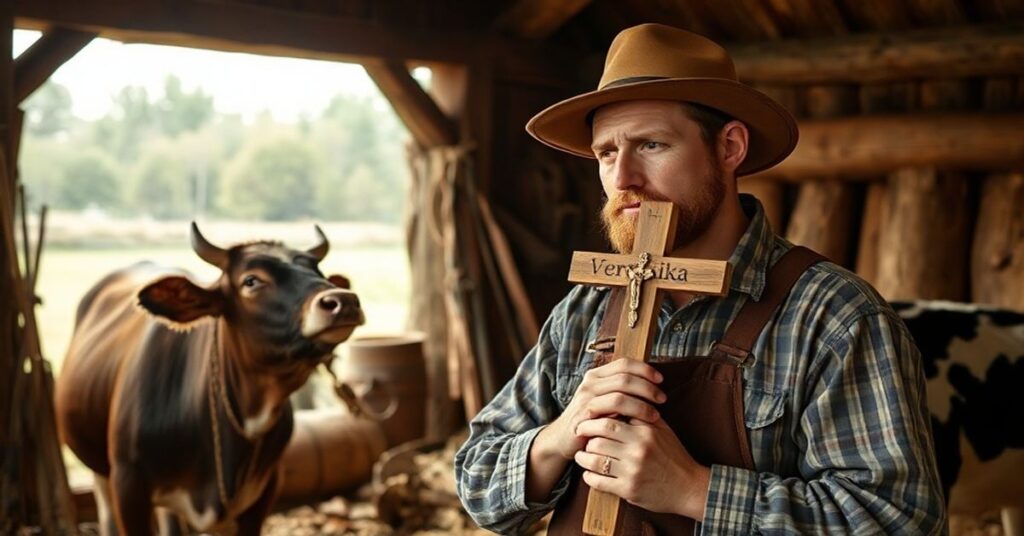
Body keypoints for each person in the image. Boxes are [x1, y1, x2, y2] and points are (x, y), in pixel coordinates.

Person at [455, 23, 946, 535]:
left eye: (651, 145)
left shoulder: (834, 317)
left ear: (729, 147)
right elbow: (477, 482)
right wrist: (561, 434)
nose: (622, 180)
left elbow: (898, 521)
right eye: (606, 153)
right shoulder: (584, 311)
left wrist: (693, 489)